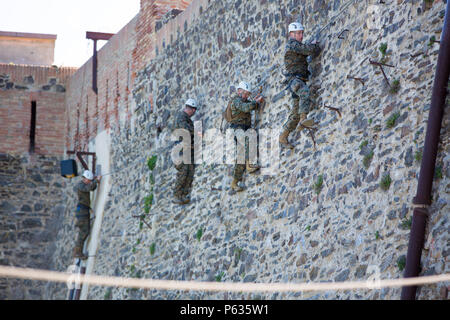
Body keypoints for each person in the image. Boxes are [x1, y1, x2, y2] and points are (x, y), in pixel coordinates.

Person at [279, 22, 321, 149]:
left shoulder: (296, 45)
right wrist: (314, 46)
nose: (301, 35)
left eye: (302, 33)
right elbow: (308, 50)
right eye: (298, 33)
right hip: (295, 80)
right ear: (292, 34)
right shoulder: (292, 44)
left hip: (298, 79)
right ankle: (303, 119)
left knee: (294, 113)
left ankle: (283, 136)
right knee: (304, 92)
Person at [228, 81, 264, 192]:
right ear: (239, 91)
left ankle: (234, 182)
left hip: (245, 128)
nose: (246, 96)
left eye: (247, 94)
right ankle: (248, 166)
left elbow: (250, 105)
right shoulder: (235, 101)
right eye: (244, 93)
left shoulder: (245, 101)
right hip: (238, 129)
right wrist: (255, 102)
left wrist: (256, 102)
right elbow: (245, 108)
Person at [172, 98, 198, 205]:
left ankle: (184, 194)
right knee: (183, 170)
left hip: (187, 150)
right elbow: (185, 130)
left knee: (190, 171)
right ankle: (177, 195)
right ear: (190, 109)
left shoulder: (187, 119)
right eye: (193, 110)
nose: (194, 112)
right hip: (181, 150)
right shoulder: (181, 117)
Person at [73, 170, 101, 259]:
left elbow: (92, 188)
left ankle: (78, 252)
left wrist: (95, 181)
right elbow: (88, 188)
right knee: (83, 232)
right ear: (85, 179)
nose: (89, 181)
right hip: (82, 212)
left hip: (84, 211)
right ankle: (78, 253)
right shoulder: (80, 185)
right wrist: (96, 181)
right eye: (88, 180)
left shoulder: (85, 184)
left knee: (85, 231)